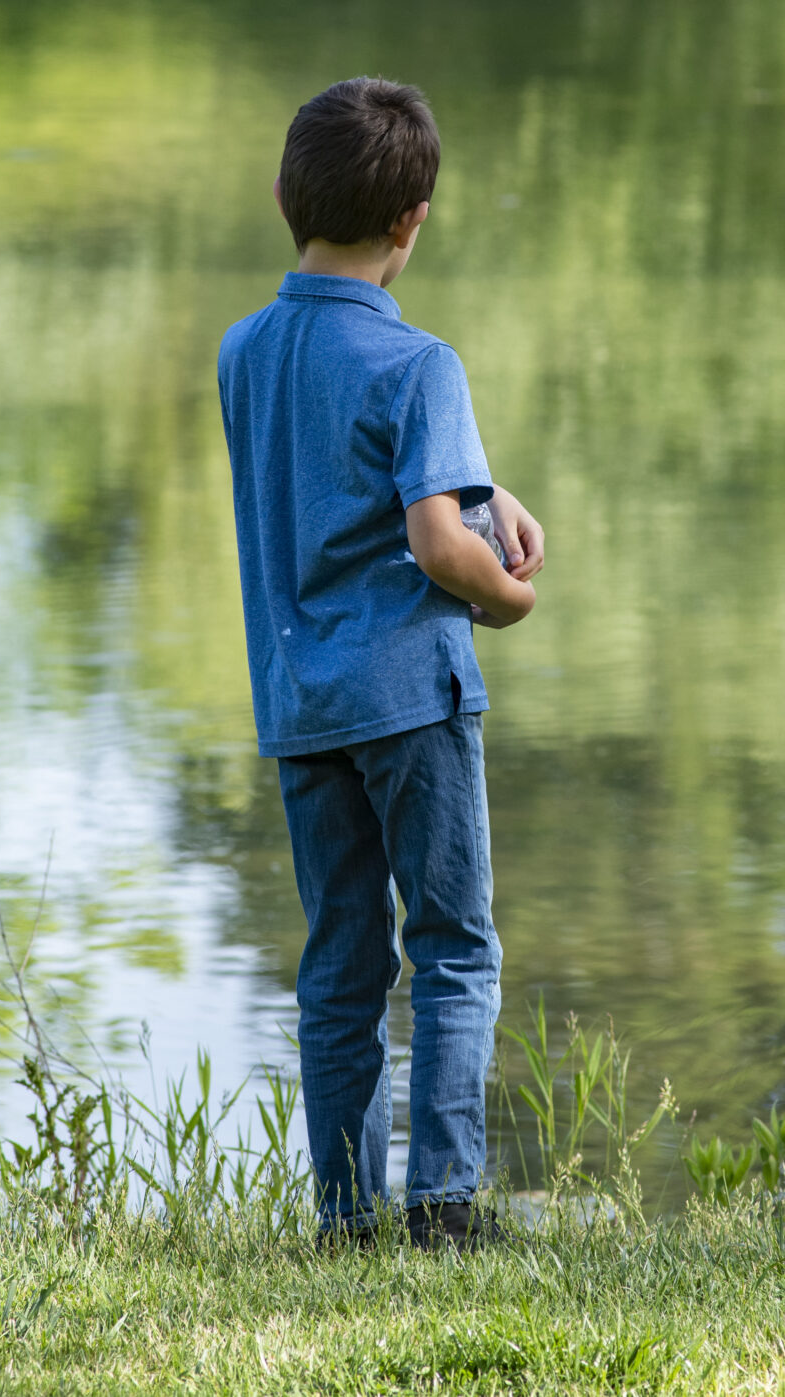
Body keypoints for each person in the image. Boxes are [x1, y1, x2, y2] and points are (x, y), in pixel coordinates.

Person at [216, 78, 545, 1250]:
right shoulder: (421, 365)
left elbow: (326, 460)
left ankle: (347, 1216)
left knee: (340, 962)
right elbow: (428, 539)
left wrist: (476, 480)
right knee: (454, 942)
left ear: (280, 199)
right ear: (413, 219)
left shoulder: (243, 350)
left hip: (303, 704)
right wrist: (502, 593)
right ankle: (447, 1202)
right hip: (412, 695)